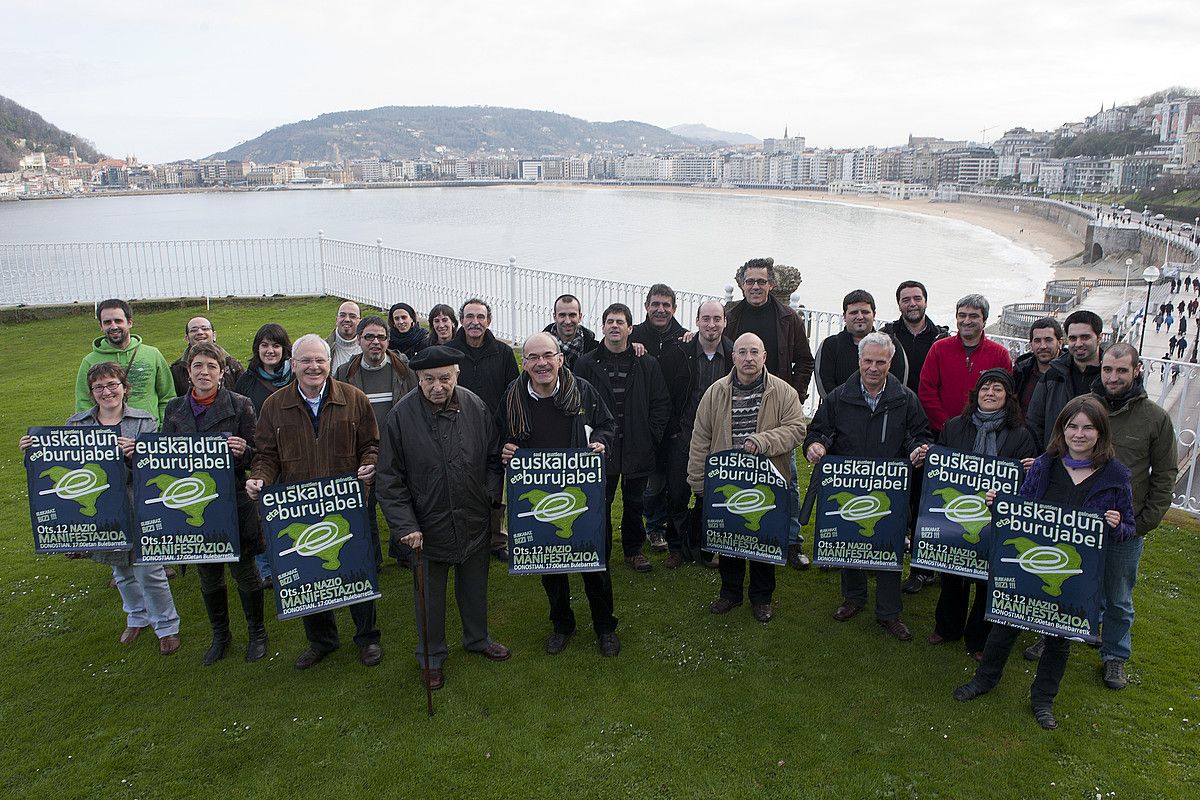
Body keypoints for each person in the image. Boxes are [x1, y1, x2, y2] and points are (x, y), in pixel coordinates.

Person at [954, 396, 1135, 730]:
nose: (1079, 434)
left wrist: (1116, 525)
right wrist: (1000, 505)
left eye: (1087, 428)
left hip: (1070, 575)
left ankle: (1042, 699)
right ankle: (984, 679)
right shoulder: (1044, 464)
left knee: (1058, 639)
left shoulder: (1116, 475)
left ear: (1100, 432)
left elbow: (1128, 529)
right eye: (1072, 426)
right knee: (1005, 625)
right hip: (1030, 565)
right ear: (1062, 430)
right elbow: (1022, 509)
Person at [376, 346, 511, 691]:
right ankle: (431, 656)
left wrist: (489, 495)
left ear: (456, 376)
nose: (438, 386)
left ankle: (477, 638)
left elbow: (495, 458)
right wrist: (405, 526)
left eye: (445, 378)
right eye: (429, 380)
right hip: (426, 525)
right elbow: (389, 479)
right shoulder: (401, 417)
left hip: (473, 516)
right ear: (418, 379)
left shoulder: (475, 406)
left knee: (474, 586)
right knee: (429, 595)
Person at [24, 362, 182, 654]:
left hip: (138, 505)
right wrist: (34, 450)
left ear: (125, 388)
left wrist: (137, 454)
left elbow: (158, 470)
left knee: (150, 570)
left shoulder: (143, 421)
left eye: (112, 385)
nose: (107, 392)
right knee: (120, 569)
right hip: (100, 510)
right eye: (99, 387)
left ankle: (167, 626)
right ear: (92, 393)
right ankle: (137, 616)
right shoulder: (76, 424)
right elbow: (61, 465)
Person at [246, 334, 382, 670]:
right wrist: (260, 477)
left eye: (319, 360)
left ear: (328, 363)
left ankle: (367, 638)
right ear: (294, 365)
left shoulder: (354, 398)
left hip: (345, 506)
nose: (313, 366)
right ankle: (322, 641)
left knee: (354, 569)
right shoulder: (274, 406)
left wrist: (370, 462)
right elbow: (265, 454)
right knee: (309, 575)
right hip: (299, 506)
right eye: (306, 360)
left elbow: (372, 444)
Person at [1043, 344, 1175, 689]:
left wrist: (1141, 523)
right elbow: (1057, 451)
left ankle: (1115, 655)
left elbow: (1164, 475)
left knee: (1118, 597)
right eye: (1107, 370)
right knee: (1065, 578)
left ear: (1137, 370)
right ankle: (1054, 634)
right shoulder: (1086, 408)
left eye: (1121, 371)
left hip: (1123, 529)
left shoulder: (1154, 418)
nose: (1113, 377)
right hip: (1074, 523)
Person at [804, 332, 933, 640]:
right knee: (850, 539)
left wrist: (918, 450)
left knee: (888, 546)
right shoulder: (838, 396)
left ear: (891, 363)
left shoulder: (905, 398)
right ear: (858, 361)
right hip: (849, 485)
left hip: (890, 489)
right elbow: (818, 431)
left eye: (881, 362)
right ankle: (854, 598)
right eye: (868, 361)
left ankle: (889, 612)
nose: (873, 368)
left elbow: (920, 434)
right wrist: (815, 446)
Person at [499, 332, 619, 657]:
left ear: (560, 359)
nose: (541, 363)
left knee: (595, 565)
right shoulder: (513, 396)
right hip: (541, 500)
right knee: (550, 569)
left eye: (547, 356)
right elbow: (501, 436)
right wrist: (506, 449)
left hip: (582, 497)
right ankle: (562, 624)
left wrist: (602, 442)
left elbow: (608, 425)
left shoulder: (583, 391)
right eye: (533, 358)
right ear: (524, 363)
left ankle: (605, 627)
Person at [161, 343, 267, 666]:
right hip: (194, 507)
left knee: (244, 573)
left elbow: (259, 454)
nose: (203, 372)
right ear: (188, 371)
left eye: (210, 366)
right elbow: (164, 457)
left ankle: (257, 633)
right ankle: (220, 635)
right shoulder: (175, 409)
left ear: (222, 372)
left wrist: (243, 451)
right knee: (208, 575)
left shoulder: (241, 405)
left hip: (233, 502)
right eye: (197, 366)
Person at [689, 333, 806, 622]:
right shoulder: (715, 392)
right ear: (734, 357)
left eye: (755, 352)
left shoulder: (784, 392)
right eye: (742, 352)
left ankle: (762, 598)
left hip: (767, 482)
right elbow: (700, 437)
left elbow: (797, 430)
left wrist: (764, 440)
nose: (748, 358)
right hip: (726, 481)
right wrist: (698, 480)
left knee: (763, 540)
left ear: (764, 357)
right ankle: (730, 593)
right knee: (728, 539)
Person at [927, 369, 1036, 659]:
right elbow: (941, 467)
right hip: (959, 513)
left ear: (1007, 398)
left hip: (995, 517)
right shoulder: (954, 426)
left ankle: (979, 638)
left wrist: (1028, 470)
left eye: (998, 389)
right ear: (976, 394)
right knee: (953, 571)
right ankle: (947, 627)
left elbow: (1024, 485)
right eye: (985, 388)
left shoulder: (1020, 435)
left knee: (988, 579)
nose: (990, 393)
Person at [724, 257, 815, 570]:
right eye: (750, 281)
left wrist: (794, 397)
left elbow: (805, 361)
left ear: (771, 285)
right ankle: (733, 533)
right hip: (736, 406)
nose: (755, 287)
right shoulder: (729, 315)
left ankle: (791, 542)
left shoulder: (788, 318)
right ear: (742, 284)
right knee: (734, 475)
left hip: (776, 413)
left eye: (761, 281)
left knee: (786, 479)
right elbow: (711, 345)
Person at [574, 303, 672, 573]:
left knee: (634, 503)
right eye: (610, 321)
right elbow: (575, 405)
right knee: (598, 502)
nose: (614, 326)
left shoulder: (647, 363)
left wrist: (650, 435)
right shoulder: (586, 363)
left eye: (620, 322)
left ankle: (633, 550)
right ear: (603, 327)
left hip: (637, 444)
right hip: (599, 446)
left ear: (631, 328)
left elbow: (661, 403)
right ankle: (599, 551)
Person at [334, 316, 417, 569]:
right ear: (359, 340)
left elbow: (416, 407)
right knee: (364, 507)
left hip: (397, 449)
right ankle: (372, 558)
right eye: (369, 337)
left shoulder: (405, 370)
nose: (375, 342)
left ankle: (403, 552)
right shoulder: (344, 373)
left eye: (381, 337)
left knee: (400, 502)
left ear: (388, 341)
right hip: (361, 452)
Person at [658, 300, 732, 568]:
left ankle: (704, 550)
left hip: (718, 438)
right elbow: (664, 394)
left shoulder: (734, 354)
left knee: (708, 497)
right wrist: (673, 432)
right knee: (677, 494)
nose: (711, 325)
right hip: (685, 433)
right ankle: (676, 548)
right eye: (706, 319)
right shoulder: (679, 351)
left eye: (717, 319)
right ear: (697, 321)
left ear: (725, 321)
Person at [629, 284, 688, 552]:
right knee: (652, 483)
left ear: (674, 308)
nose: (660, 310)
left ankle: (677, 529)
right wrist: (630, 345)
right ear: (646, 306)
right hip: (646, 421)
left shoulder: (685, 337)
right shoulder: (635, 335)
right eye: (655, 304)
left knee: (675, 481)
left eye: (666, 305)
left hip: (676, 422)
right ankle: (654, 527)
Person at [233, 323, 292, 586]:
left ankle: (292, 560)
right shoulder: (246, 381)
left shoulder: (296, 375)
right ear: (257, 349)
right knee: (263, 511)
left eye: (276, 345)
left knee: (290, 511)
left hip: (293, 451)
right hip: (262, 453)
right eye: (265, 345)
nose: (270, 350)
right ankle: (266, 567)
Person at [918, 294, 1012, 437]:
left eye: (973, 316)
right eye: (962, 315)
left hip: (984, 433)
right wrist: (948, 426)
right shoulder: (939, 349)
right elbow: (926, 391)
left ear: (985, 321)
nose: (966, 321)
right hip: (941, 432)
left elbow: (1004, 397)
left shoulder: (999, 354)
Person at [75, 299, 175, 425]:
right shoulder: (89, 361)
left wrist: (162, 429)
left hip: (148, 433)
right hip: (108, 436)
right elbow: (84, 403)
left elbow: (167, 397)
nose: (113, 326)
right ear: (101, 326)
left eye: (118, 321)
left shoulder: (153, 355)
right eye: (107, 322)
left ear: (129, 322)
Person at [1026, 310, 1104, 450]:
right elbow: (1034, 422)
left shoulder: (1110, 379)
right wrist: (1046, 457)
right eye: (1073, 338)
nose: (1078, 343)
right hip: (1057, 460)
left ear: (1099, 338)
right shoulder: (1053, 376)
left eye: (1085, 337)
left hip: (1098, 463)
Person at [815, 289, 907, 398]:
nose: (860, 317)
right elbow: (825, 385)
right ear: (844, 316)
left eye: (865, 312)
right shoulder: (830, 346)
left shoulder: (890, 344)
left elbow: (899, 382)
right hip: (838, 411)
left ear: (874, 314)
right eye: (854, 312)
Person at [881, 280, 949, 395]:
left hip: (929, 407)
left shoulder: (942, 339)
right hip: (895, 404)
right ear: (899, 305)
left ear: (926, 302)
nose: (912, 304)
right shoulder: (886, 336)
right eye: (906, 300)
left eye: (917, 298)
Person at [168, 316, 244, 397]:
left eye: (205, 329)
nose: (200, 332)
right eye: (194, 330)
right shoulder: (177, 370)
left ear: (214, 335)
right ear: (187, 338)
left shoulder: (233, 365)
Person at [1012, 318, 1064, 414]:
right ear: (1031, 344)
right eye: (1037, 341)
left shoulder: (1070, 373)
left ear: (1060, 343)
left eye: (1048, 340)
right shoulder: (1021, 372)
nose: (1042, 346)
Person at [543, 293, 597, 370]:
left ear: (580, 317)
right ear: (555, 317)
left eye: (572, 315)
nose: (567, 321)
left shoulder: (594, 351)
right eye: (562, 315)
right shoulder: (540, 348)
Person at [325, 301, 361, 373]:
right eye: (342, 315)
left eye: (352, 316)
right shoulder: (324, 348)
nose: (347, 319)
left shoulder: (366, 347)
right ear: (336, 320)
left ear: (359, 321)